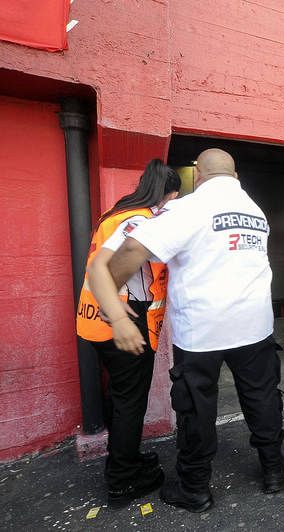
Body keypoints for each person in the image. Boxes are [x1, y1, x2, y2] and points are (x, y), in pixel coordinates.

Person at [89, 148, 284, 512]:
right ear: (236, 174)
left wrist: (113, 305)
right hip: (255, 326)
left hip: (202, 332)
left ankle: (195, 488)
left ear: (198, 173)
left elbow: (132, 247)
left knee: (196, 409)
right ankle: (274, 470)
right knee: (262, 399)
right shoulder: (255, 210)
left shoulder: (188, 209)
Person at [78, 159, 180, 508]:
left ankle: (127, 460)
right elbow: (98, 268)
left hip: (95, 322)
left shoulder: (117, 213)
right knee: (129, 403)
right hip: (124, 318)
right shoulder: (140, 220)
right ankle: (122, 480)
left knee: (121, 398)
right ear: (172, 195)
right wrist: (121, 321)